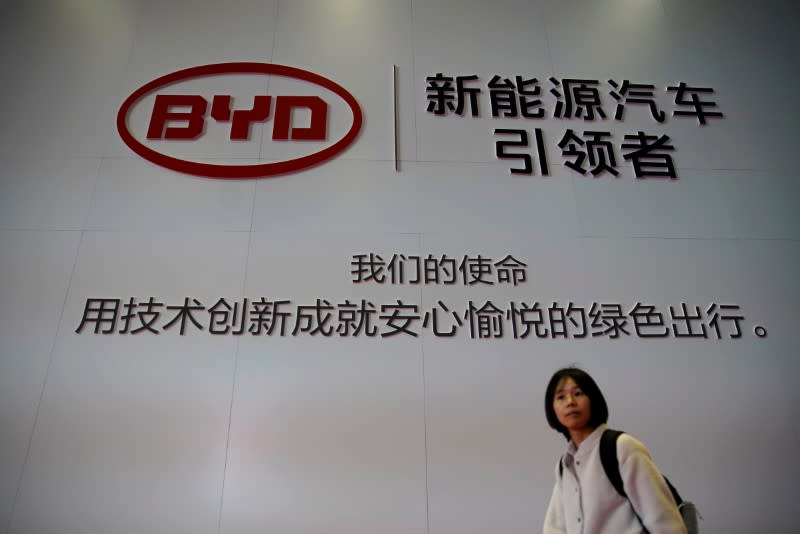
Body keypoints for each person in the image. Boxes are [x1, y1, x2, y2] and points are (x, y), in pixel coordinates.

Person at [542, 367, 686, 534]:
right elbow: (555, 527)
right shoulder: (565, 465)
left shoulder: (621, 447)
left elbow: (664, 523)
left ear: (593, 400)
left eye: (578, 393)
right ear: (552, 409)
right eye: (560, 397)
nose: (570, 402)